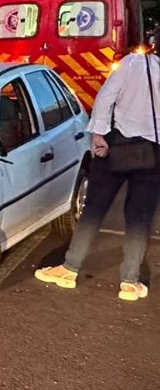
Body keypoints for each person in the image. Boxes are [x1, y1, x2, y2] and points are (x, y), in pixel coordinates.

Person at [35, 42, 160, 300]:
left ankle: (69, 268)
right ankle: (129, 281)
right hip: (154, 152)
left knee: (94, 209)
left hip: (119, 146)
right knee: (139, 217)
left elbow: (106, 96)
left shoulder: (134, 63)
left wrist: (98, 135)